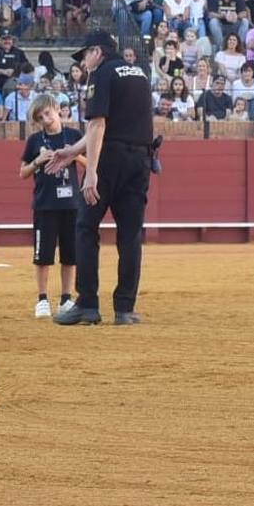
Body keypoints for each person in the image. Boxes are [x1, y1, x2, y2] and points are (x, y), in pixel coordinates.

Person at [48, 30, 153, 326]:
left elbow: (98, 125)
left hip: (109, 161)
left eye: (84, 55)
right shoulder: (139, 74)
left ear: (97, 51)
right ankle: (124, 308)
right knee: (130, 234)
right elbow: (112, 126)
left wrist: (90, 171)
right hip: (139, 160)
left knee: (85, 226)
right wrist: (72, 150)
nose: (83, 62)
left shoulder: (102, 74)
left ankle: (88, 303)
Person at [20, 92, 83, 319]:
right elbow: (22, 172)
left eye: (47, 113)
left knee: (70, 254)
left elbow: (90, 161)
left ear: (57, 108)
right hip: (45, 204)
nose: (46, 120)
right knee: (43, 255)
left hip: (71, 203)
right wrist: (38, 160)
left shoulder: (75, 136)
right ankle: (42, 299)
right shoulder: (35, 141)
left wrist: (72, 155)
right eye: (40, 118)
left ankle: (66, 299)